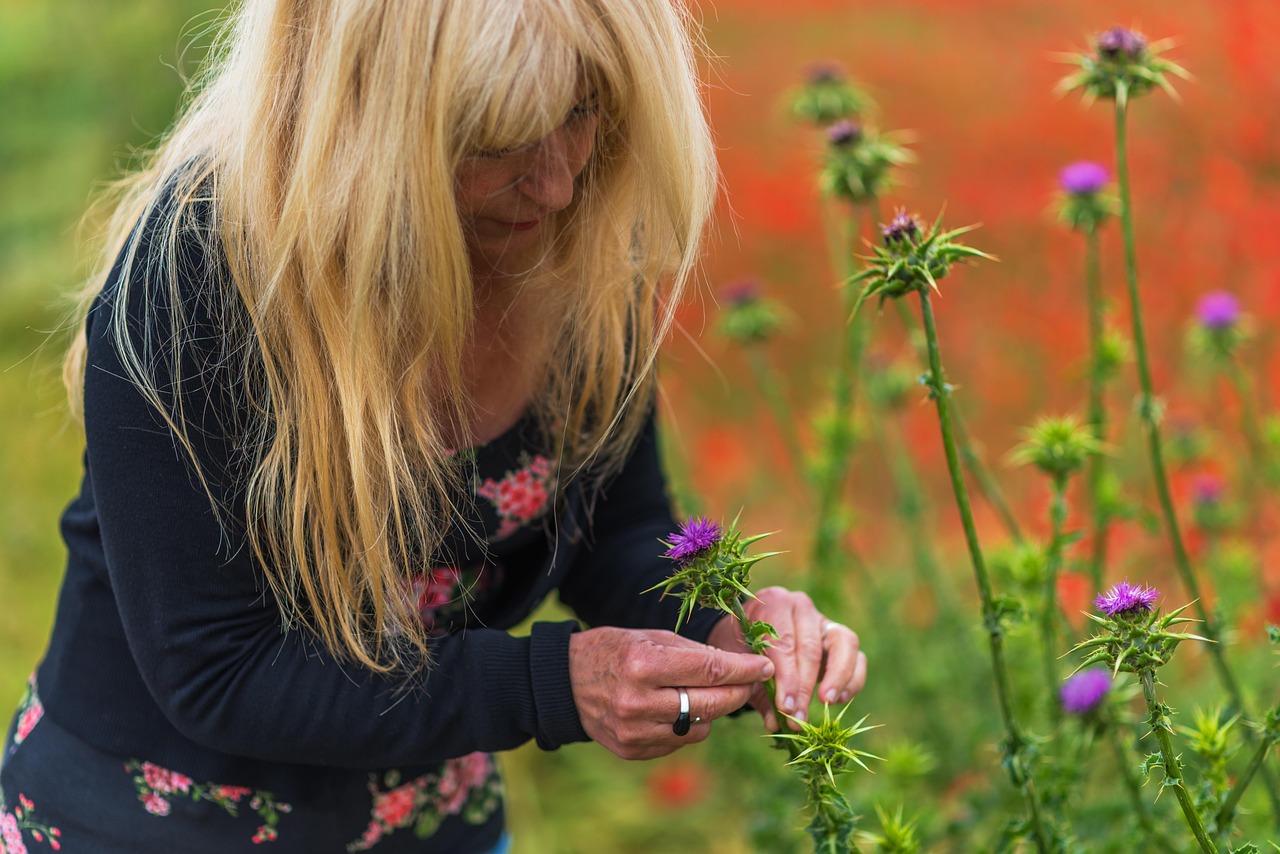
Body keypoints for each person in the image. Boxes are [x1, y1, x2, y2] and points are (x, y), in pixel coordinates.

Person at [0, 0, 867, 851]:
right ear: (366, 109)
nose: (560, 180)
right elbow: (216, 668)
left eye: (582, 111)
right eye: (497, 141)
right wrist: (555, 684)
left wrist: (721, 629)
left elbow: (615, 528)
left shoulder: (575, 242)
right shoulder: (201, 274)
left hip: (432, 817)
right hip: (156, 823)